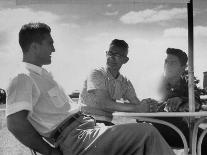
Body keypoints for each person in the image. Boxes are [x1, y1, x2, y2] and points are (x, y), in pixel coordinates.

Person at [6, 22, 175, 155]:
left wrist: (152, 105)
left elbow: (137, 105)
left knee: (140, 147)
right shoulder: (23, 77)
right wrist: (49, 152)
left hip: (88, 130)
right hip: (76, 138)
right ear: (35, 46)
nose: (54, 49)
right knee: (147, 133)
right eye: (50, 43)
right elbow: (15, 124)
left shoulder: (43, 76)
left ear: (125, 59)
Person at [78, 39, 156, 126]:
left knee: (147, 130)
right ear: (106, 54)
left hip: (105, 124)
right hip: (86, 122)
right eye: (110, 53)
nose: (111, 57)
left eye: (117, 55)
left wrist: (149, 105)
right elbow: (105, 104)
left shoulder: (125, 82)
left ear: (125, 60)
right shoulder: (96, 73)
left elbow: (137, 105)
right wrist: (139, 107)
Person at [151, 48, 207, 154]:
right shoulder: (155, 83)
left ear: (183, 68)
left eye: (172, 63)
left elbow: (197, 100)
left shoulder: (187, 85)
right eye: (166, 62)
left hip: (180, 130)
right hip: (157, 129)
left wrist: (181, 99)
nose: (167, 65)